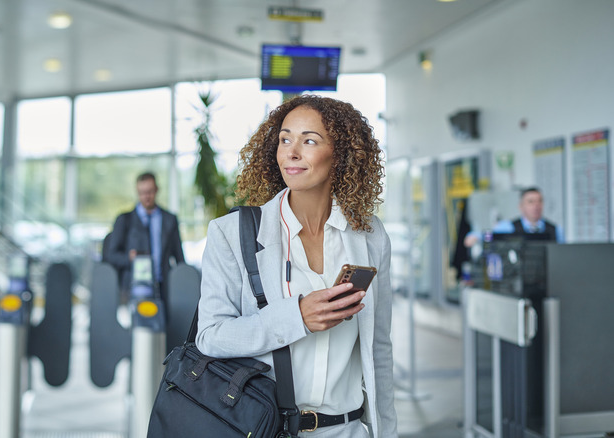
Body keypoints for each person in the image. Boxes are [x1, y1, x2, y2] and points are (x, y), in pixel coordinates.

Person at [195, 95, 398, 437]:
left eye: (309, 141)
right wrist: (296, 318)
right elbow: (210, 337)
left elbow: (378, 348)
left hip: (347, 431)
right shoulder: (231, 234)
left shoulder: (370, 234)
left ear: (341, 154)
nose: (291, 151)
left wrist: (386, 432)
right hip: (266, 428)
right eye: (285, 139)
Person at [104, 172, 185, 304]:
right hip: (132, 289)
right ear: (137, 192)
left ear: (157, 190)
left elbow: (179, 257)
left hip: (163, 289)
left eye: (150, 192)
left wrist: (182, 284)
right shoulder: (124, 220)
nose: (146, 196)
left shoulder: (169, 220)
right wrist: (128, 258)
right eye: (142, 192)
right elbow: (111, 255)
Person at [463, 186, 564, 247]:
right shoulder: (508, 227)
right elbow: (490, 235)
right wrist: (477, 236)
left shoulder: (555, 230)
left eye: (539, 201)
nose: (536, 206)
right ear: (521, 206)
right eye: (531, 202)